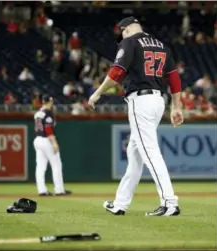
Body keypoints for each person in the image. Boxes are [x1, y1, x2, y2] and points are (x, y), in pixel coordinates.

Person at [88, 17, 183, 216]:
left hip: (141, 101)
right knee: (135, 153)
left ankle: (169, 202)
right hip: (158, 101)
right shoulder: (161, 45)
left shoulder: (130, 41)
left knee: (149, 152)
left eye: (122, 32)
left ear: (127, 29)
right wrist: (177, 107)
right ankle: (120, 203)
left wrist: (98, 92)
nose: (121, 36)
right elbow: (173, 78)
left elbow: (117, 71)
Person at [33, 94, 71, 196]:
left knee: (40, 166)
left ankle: (42, 190)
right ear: (50, 101)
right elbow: (48, 129)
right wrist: (54, 143)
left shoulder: (38, 113)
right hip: (46, 140)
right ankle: (59, 190)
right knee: (56, 165)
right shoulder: (47, 113)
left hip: (37, 139)